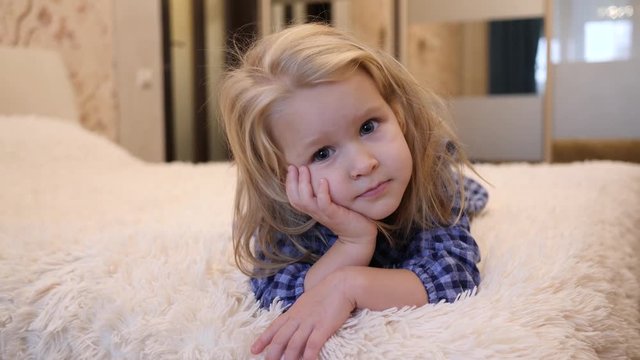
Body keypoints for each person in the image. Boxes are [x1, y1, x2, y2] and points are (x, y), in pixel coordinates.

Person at [218, 23, 488, 360]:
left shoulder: (428, 180)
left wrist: (350, 285)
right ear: (281, 176)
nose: (363, 164)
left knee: (467, 194)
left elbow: (454, 273)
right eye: (322, 154)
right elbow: (278, 293)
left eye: (368, 126)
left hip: (435, 173)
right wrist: (353, 242)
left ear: (398, 114)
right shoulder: (288, 212)